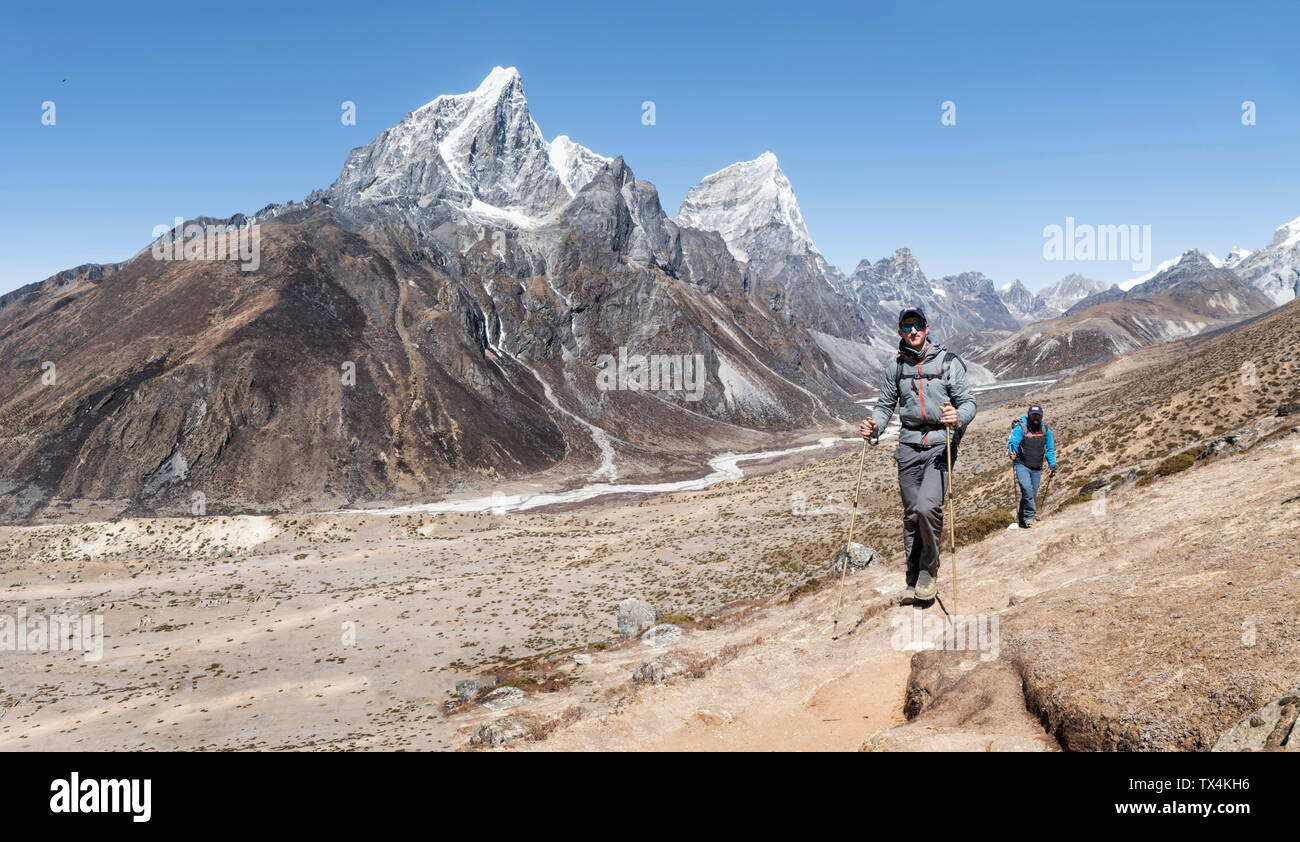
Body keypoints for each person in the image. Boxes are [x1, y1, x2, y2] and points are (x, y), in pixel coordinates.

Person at [859, 306, 977, 604]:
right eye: (907, 326)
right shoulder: (896, 368)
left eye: (919, 325)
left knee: (927, 507)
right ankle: (912, 577)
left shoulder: (948, 363)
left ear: (927, 328)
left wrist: (957, 417)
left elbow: (968, 403)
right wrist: (874, 427)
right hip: (909, 446)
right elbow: (885, 406)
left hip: (941, 443)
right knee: (911, 514)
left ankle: (929, 570)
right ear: (900, 331)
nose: (914, 331)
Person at [1008, 404, 1057, 529]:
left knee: (1031, 495)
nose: (1036, 418)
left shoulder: (1046, 430)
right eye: (1033, 415)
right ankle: (1030, 517)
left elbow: (1050, 449)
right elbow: (1013, 442)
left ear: (1041, 416)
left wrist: (1052, 465)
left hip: (1037, 467)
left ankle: (1021, 519)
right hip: (1022, 464)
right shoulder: (1021, 428)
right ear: (1029, 415)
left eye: (1038, 416)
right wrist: (1011, 452)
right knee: (1027, 489)